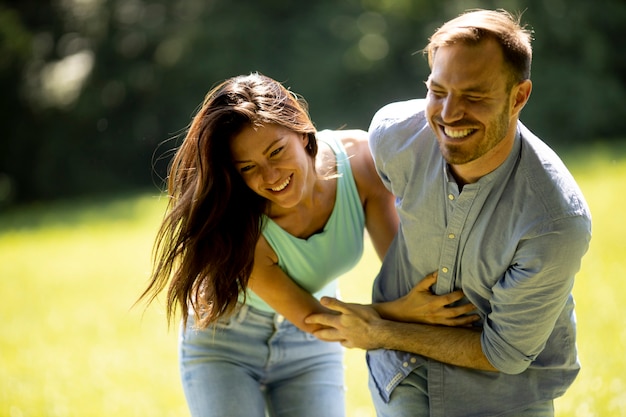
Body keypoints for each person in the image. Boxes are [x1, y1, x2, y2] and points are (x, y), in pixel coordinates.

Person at [305, 9, 592, 417]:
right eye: (438, 91)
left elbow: (505, 354)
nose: (449, 113)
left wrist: (380, 329)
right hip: (401, 373)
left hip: (505, 396)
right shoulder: (394, 135)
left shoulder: (554, 222)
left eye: (474, 97)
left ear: (519, 97)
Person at [139, 73, 475, 417]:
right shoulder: (238, 224)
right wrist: (401, 312)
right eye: (249, 167)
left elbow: (402, 270)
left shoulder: (361, 164)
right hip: (225, 343)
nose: (271, 176)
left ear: (301, 131)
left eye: (277, 151)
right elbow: (314, 318)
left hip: (310, 349)